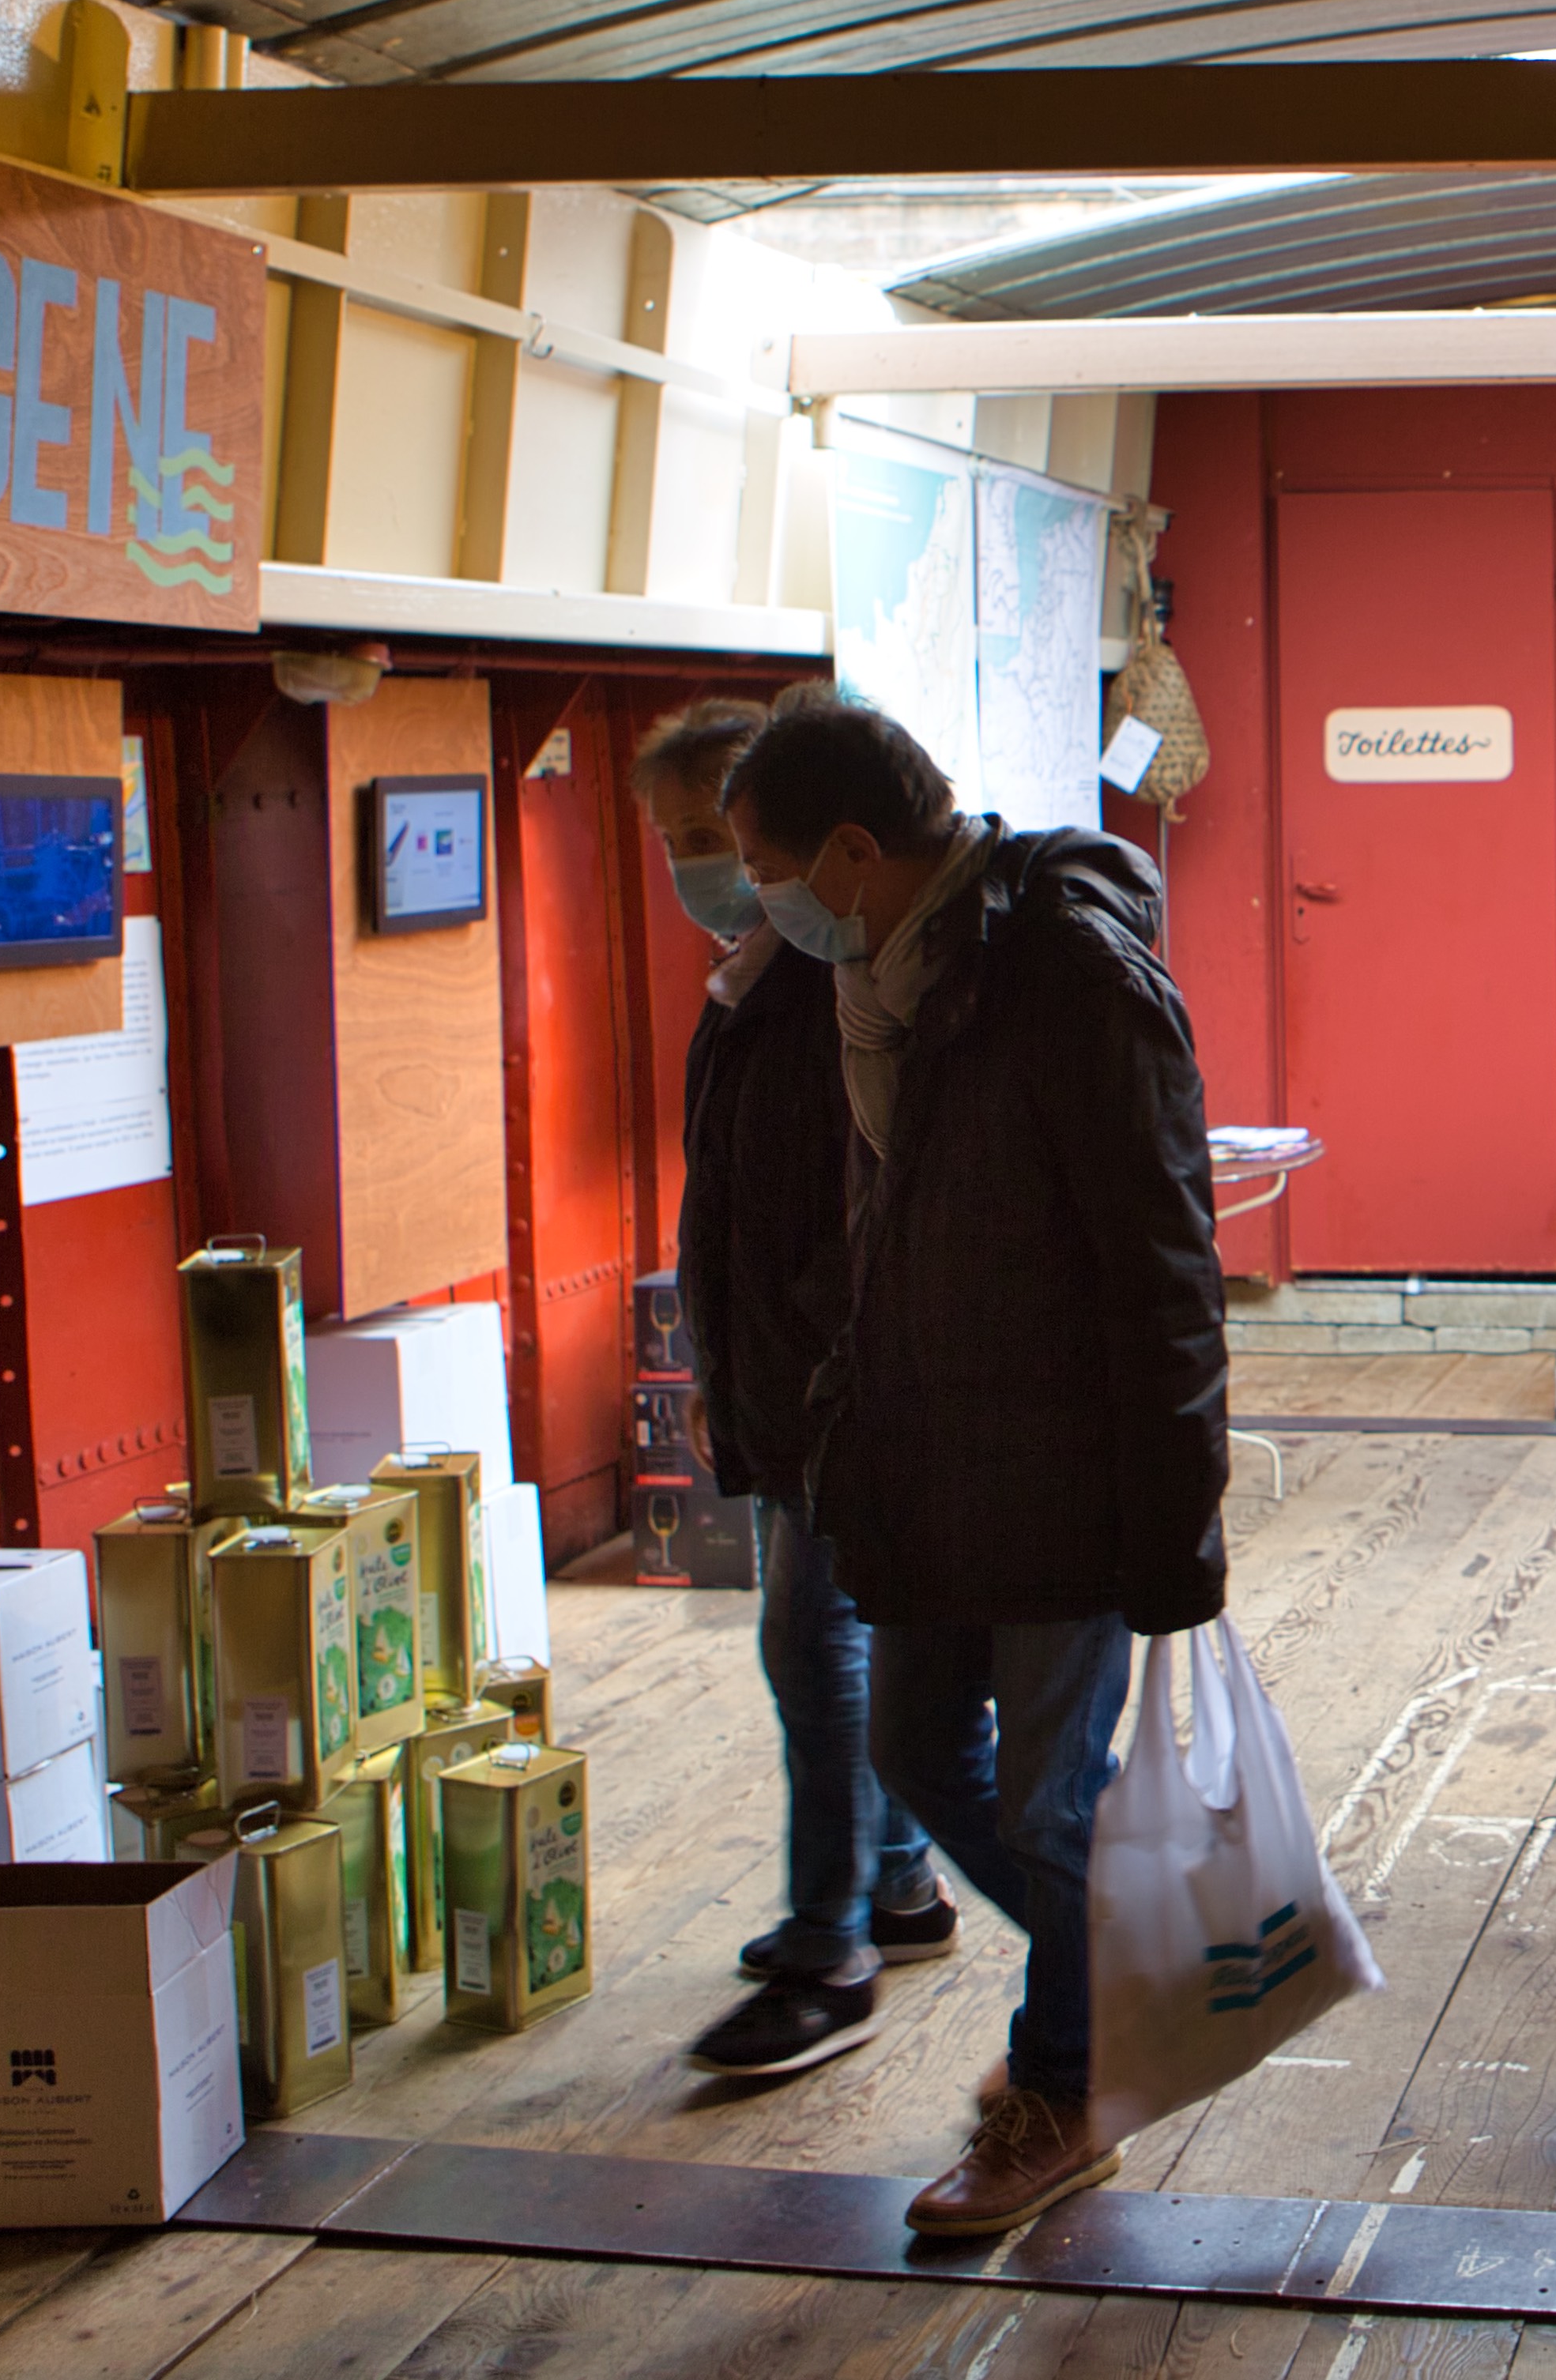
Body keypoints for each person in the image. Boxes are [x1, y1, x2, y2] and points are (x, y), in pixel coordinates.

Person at [721, 690, 1230, 2238]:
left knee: (1049, 1795)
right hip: (929, 1457)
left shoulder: (1064, 970)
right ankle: (1143, 1983)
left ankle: (1061, 2087)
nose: (759, 900)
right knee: (917, 1752)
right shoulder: (877, 978)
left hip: (1064, 1468)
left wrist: (1175, 1529)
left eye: (765, 868)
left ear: (857, 851)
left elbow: (1164, 1257)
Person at [632, 699, 956, 2083]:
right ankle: (899, 1883)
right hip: (779, 1377)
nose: (701, 866)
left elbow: (851, 1217)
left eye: (717, 836)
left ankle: (830, 1943)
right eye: (675, 842)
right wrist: (718, 1368)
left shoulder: (838, 984)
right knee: (828, 1648)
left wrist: (809, 1379)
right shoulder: (750, 976)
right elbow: (730, 1206)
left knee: (814, 1651)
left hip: (843, 1389)